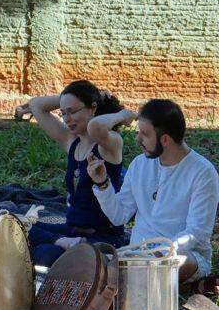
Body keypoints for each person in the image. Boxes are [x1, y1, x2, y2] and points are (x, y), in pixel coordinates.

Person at [87, 98, 219, 284]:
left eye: (144, 134)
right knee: (90, 264)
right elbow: (119, 216)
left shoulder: (203, 172)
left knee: (171, 264)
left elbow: (197, 232)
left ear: (165, 139)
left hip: (179, 256)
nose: (138, 139)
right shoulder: (139, 164)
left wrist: (159, 252)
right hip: (136, 256)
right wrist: (102, 183)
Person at [15, 80, 136, 268]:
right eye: (63, 113)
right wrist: (90, 94)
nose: (66, 118)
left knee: (46, 255)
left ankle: (59, 244)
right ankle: (60, 241)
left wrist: (122, 115)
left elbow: (96, 127)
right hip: (71, 231)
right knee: (15, 226)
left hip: (102, 237)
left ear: (92, 108)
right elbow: (37, 104)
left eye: (73, 111)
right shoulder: (72, 142)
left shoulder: (110, 144)